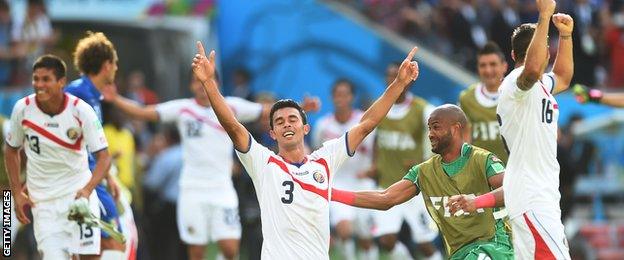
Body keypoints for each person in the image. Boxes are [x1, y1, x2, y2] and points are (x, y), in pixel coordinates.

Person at [192, 41, 420, 259]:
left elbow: (366, 124)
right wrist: (209, 84)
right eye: (279, 122)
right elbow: (233, 126)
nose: (287, 124)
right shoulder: (263, 163)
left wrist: (399, 84)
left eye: (292, 119)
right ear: (272, 133)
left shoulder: (325, 159)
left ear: (306, 128)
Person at [102, 69, 318, 259]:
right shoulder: (183, 109)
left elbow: (265, 110)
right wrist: (116, 98)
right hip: (192, 190)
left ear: (216, 84)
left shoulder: (230, 106)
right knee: (196, 252)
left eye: (206, 80)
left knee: (230, 248)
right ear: (190, 85)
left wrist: (301, 106)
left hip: (222, 189)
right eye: (196, 81)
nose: (201, 85)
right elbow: (144, 112)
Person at [331, 104, 514, 259]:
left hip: (493, 247)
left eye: (436, 127)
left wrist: (476, 202)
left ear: (455, 128)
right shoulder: (424, 171)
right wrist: (330, 193)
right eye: (429, 128)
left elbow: (512, 190)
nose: (430, 134)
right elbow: (385, 198)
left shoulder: (483, 160)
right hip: (460, 253)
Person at [468, 2, 574, 258]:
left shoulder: (540, 84)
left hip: (539, 194)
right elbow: (533, 69)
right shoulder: (515, 82)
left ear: (512, 55)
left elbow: (563, 77)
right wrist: (545, 15)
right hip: (532, 195)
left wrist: (566, 36)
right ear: (545, 52)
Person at [5, 54, 111, 259]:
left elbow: (104, 157)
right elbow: (11, 150)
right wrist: (15, 193)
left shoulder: (81, 111)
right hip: (43, 204)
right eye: (36, 79)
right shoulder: (22, 109)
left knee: (89, 256)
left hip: (77, 197)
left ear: (61, 82)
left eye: (46, 79)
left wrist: (88, 190)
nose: (39, 84)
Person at [65, 31, 128, 259]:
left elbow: (95, 144)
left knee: (99, 248)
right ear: (107, 65)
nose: (116, 69)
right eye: (115, 64)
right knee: (112, 246)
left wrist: (108, 176)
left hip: (96, 179)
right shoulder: (76, 92)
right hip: (83, 181)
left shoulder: (93, 96)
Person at [371, 62, 440, 260]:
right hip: (386, 185)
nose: (394, 79)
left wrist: (423, 161)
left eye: (398, 75)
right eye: (390, 76)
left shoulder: (423, 109)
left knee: (425, 243)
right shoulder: (380, 107)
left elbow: (439, 141)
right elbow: (375, 138)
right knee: (387, 240)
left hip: (414, 188)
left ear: (409, 80)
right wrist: (374, 164)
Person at [311, 79, 377, 260]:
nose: (341, 98)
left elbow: (379, 153)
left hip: (363, 183)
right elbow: (317, 156)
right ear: (332, 97)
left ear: (352, 97)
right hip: (338, 183)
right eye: (337, 94)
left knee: (366, 238)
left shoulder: (364, 121)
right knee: (344, 230)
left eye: (345, 94)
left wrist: (373, 169)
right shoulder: (323, 126)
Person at [459, 41, 509, 164]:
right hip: (480, 175)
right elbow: (464, 141)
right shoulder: (466, 98)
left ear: (504, 66)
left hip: (513, 174)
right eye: (483, 65)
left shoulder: (515, 95)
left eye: (493, 64)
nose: (488, 70)